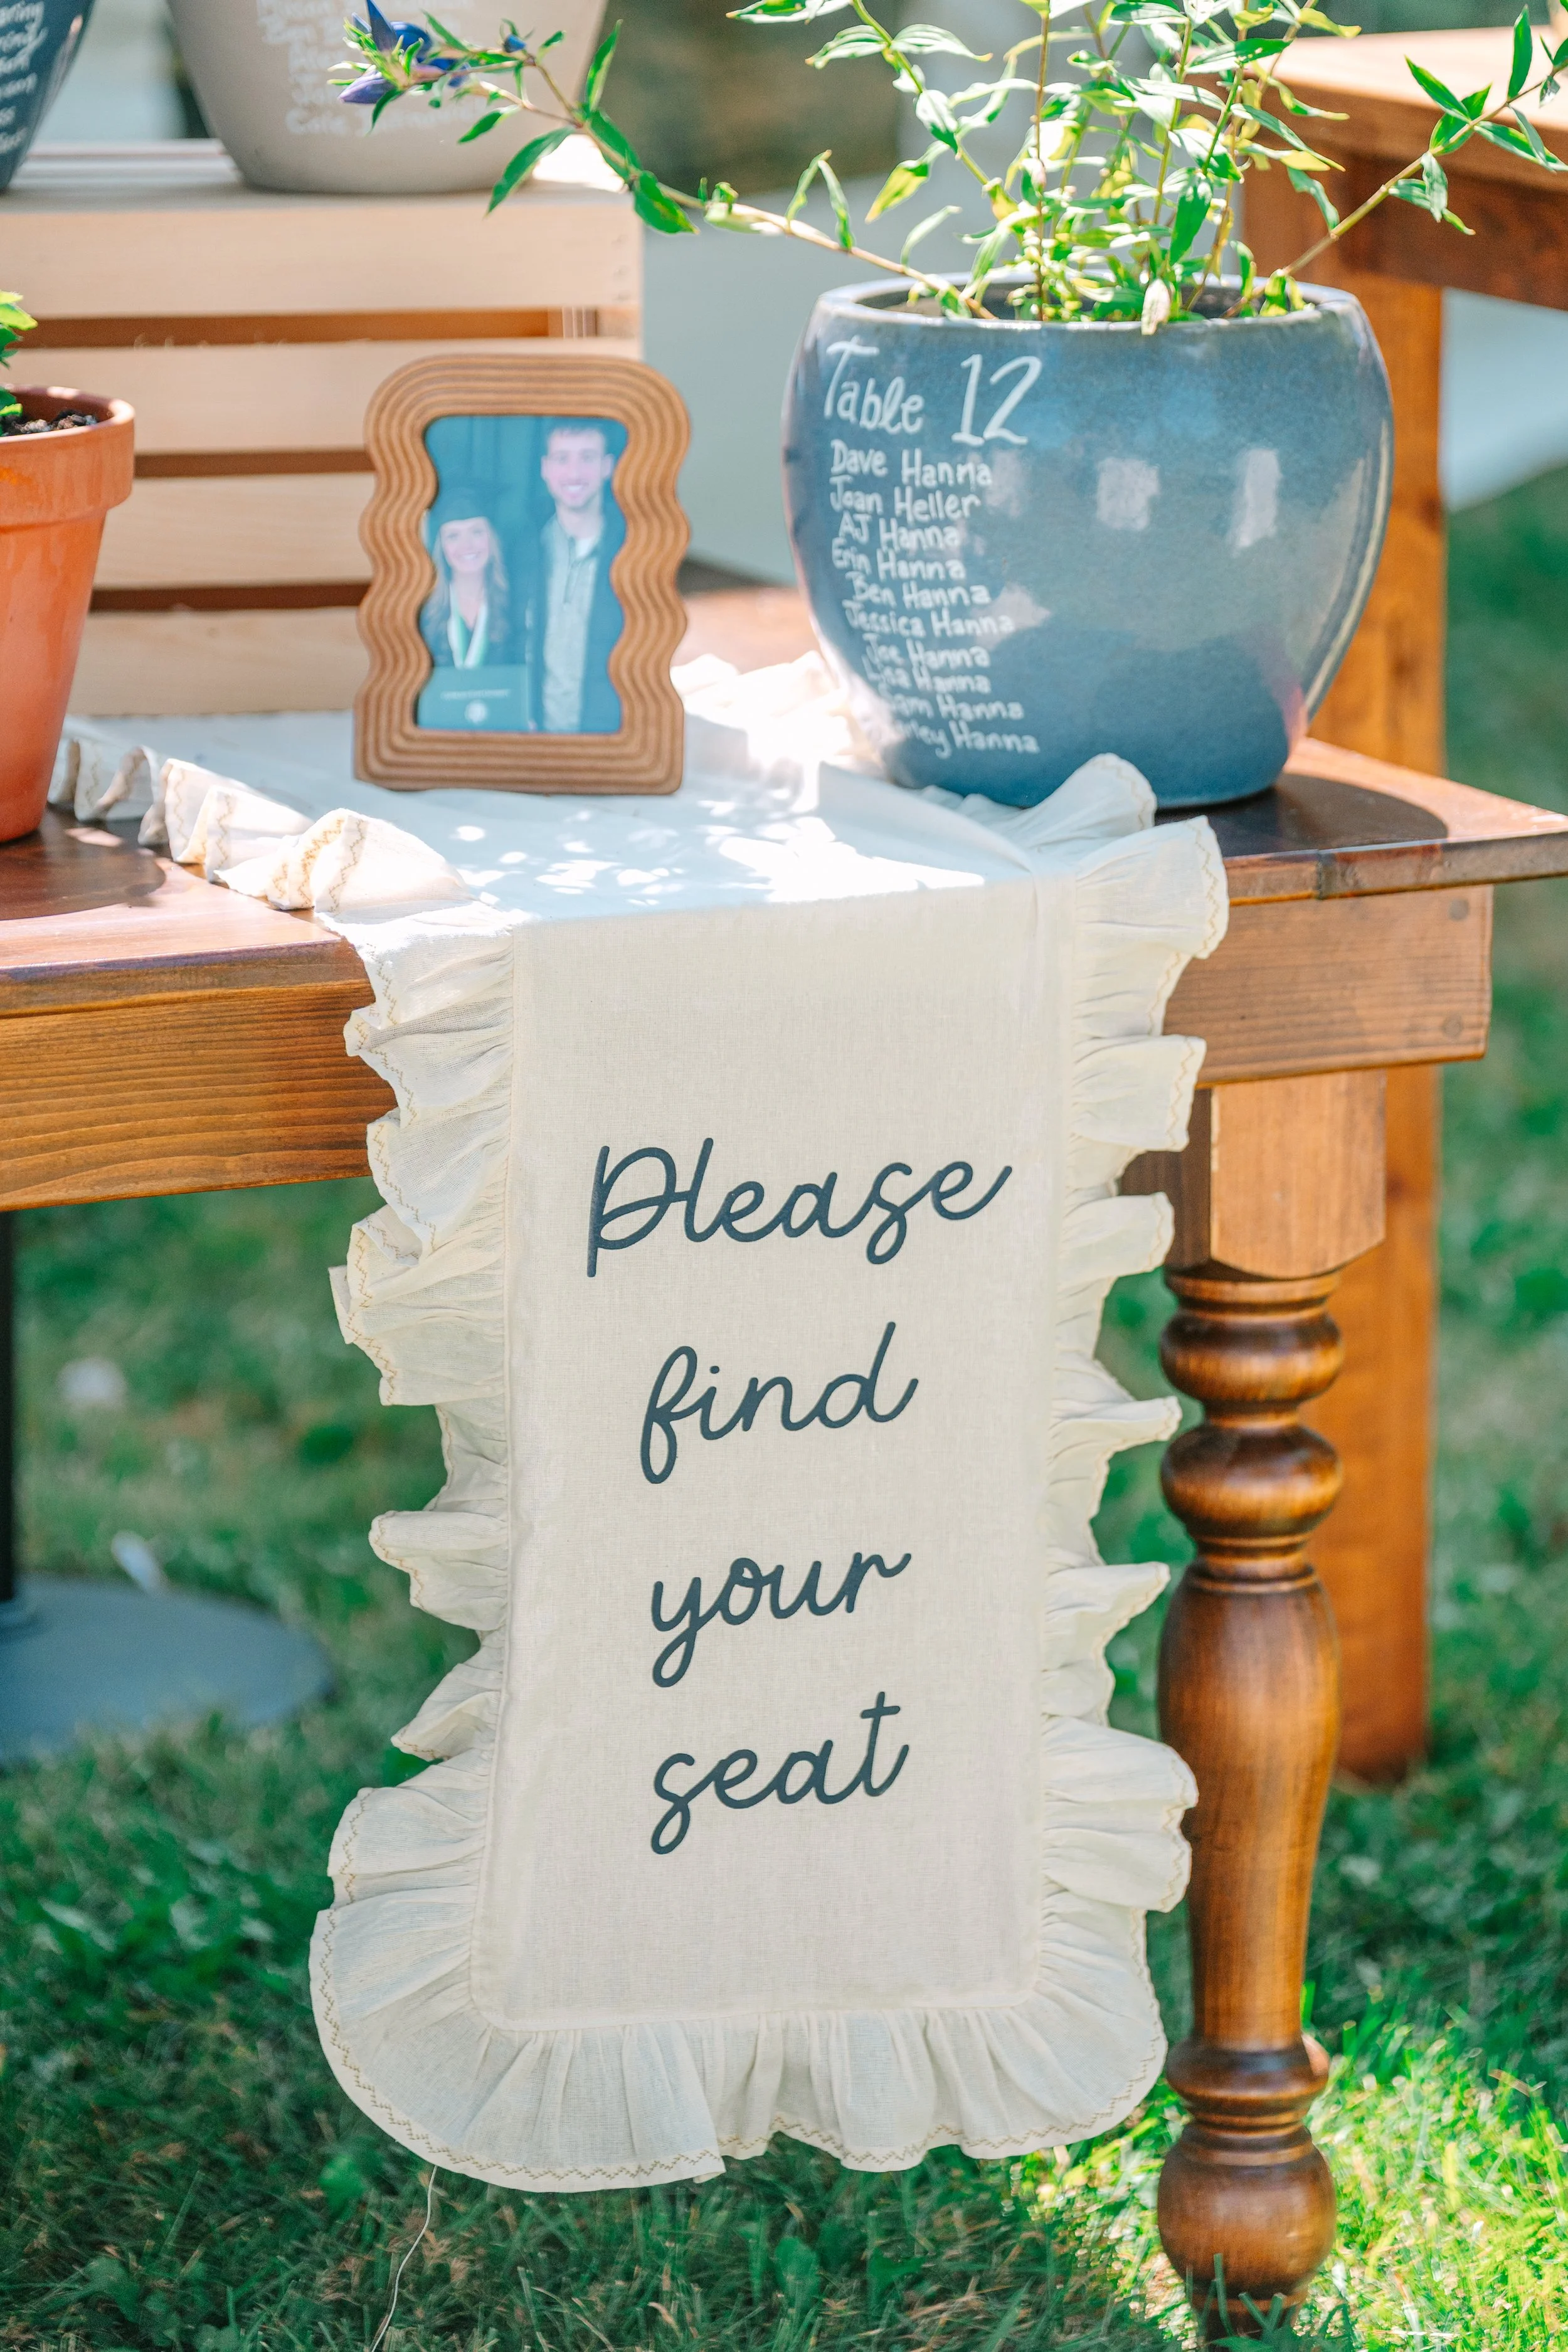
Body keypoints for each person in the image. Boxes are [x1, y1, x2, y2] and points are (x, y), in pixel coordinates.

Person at [525, 420, 625, 733]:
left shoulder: (631, 552)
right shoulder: (524, 549)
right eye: (562, 458)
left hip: (606, 739)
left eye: (587, 457)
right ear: (545, 468)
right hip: (533, 739)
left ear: (607, 466)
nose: (574, 473)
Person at [420, 487, 511, 671]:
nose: (467, 545)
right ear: (442, 546)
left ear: (491, 538)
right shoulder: (425, 613)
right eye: (453, 536)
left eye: (476, 532)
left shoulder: (515, 607)